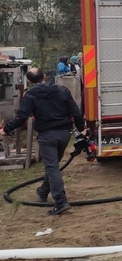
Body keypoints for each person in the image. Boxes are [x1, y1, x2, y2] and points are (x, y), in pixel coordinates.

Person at [0, 67, 86, 215]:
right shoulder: (62, 90)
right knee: (53, 165)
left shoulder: (31, 95)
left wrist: (5, 130)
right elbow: (76, 112)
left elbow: (21, 117)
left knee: (52, 167)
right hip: (64, 134)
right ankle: (43, 192)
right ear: (44, 76)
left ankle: (60, 201)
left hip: (47, 136)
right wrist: (82, 129)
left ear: (29, 81)